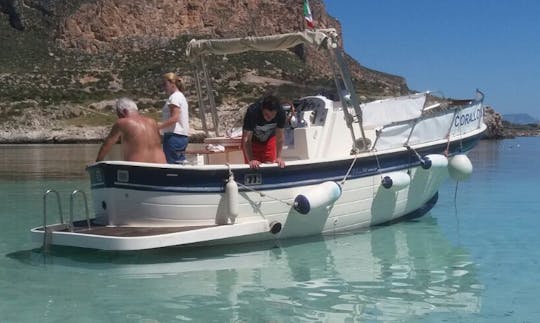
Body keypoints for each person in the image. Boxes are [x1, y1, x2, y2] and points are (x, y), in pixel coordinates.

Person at [95, 97, 166, 163]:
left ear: (124, 111)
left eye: (119, 114)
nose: (119, 117)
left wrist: (97, 162)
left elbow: (107, 145)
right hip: (161, 165)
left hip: (138, 167)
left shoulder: (122, 122)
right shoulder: (152, 122)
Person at [241, 95, 287, 169]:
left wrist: (278, 157)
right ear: (262, 109)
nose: (269, 118)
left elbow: (280, 137)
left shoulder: (281, 113)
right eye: (266, 114)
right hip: (251, 143)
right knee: (253, 167)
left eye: (272, 116)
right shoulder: (253, 111)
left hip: (269, 140)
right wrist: (251, 159)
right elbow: (246, 139)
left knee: (270, 167)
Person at [159, 72, 190, 164]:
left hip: (173, 136)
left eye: (165, 84)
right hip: (181, 135)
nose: (164, 87)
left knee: (173, 164)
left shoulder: (174, 98)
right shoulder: (180, 96)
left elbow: (174, 118)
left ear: (172, 83)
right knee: (179, 163)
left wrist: (157, 127)